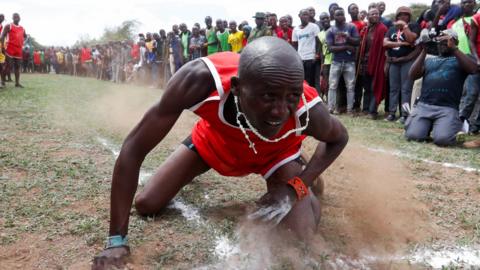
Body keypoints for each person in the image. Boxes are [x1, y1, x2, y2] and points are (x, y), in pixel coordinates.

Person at [92, 37, 348, 269]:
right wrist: (116, 240)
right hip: (214, 144)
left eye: (291, 96)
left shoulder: (308, 109)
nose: (280, 110)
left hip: (277, 155)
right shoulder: (199, 80)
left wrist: (298, 186)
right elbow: (133, 149)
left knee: (298, 234)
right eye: (268, 96)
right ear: (236, 87)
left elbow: (338, 139)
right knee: (147, 204)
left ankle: (303, 175)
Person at [405, 29, 477, 146]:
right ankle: (424, 127)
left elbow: (473, 69)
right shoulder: (430, 60)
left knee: (443, 140)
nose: (442, 42)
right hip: (425, 105)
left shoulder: (462, 58)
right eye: (440, 40)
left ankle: (458, 127)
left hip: (447, 108)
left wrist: (454, 48)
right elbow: (412, 75)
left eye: (446, 39)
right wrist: (424, 50)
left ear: (455, 42)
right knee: (413, 136)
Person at [383, 6, 421, 123]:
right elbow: (385, 43)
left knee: (406, 89)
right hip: (394, 62)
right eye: (400, 14)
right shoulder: (392, 29)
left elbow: (411, 39)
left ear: (409, 16)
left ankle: (405, 114)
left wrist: (404, 27)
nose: (403, 16)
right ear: (397, 16)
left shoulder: (413, 26)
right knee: (393, 88)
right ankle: (392, 113)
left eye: (405, 14)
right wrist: (402, 43)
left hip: (407, 61)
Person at [326, 8, 360, 114]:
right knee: (332, 86)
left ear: (345, 16)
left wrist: (348, 38)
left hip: (349, 62)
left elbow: (357, 41)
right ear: (334, 17)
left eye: (342, 14)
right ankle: (330, 108)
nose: (340, 16)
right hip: (336, 61)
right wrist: (346, 47)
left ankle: (350, 109)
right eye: (338, 15)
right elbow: (331, 48)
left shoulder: (351, 27)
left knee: (350, 86)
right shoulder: (330, 30)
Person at [358, 8, 388, 119]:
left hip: (378, 62)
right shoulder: (366, 29)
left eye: (377, 14)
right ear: (368, 16)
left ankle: (372, 111)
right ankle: (365, 109)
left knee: (375, 86)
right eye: (372, 14)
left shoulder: (382, 29)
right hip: (365, 63)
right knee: (366, 87)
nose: (375, 15)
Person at [460, 6, 480, 134]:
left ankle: (475, 127)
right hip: (476, 61)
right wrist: (477, 59)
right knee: (471, 94)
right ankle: (460, 121)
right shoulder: (476, 19)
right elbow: (471, 42)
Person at [292, 9, 321, 87]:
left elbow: (318, 42)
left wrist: (317, 54)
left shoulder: (314, 27)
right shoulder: (296, 29)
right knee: (302, 80)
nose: (306, 16)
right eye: (304, 14)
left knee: (310, 81)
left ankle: (311, 98)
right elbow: (295, 45)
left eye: (307, 15)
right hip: (300, 59)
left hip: (311, 58)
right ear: (299, 16)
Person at [0, 13, 27, 88]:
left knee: (18, 66)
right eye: (15, 17)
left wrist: (24, 40)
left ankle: (17, 83)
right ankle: (2, 81)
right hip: (10, 49)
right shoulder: (9, 26)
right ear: (12, 18)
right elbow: (2, 36)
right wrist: (2, 47)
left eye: (17, 17)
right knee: (8, 66)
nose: (16, 18)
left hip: (18, 50)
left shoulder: (22, 28)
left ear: (20, 18)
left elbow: (25, 36)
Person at [318, 13, 333, 99]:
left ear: (330, 18)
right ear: (320, 21)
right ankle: (328, 99)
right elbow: (321, 51)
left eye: (327, 18)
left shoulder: (334, 29)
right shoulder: (320, 34)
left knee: (336, 83)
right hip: (326, 61)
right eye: (323, 19)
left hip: (336, 60)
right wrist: (322, 64)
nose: (325, 20)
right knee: (327, 81)